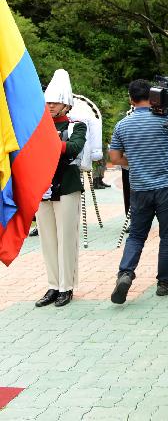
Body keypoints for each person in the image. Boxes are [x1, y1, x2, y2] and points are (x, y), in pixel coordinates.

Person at [109, 78, 168, 304]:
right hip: (167, 187)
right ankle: (165, 282)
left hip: (139, 189)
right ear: (152, 96)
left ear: (131, 99)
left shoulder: (122, 125)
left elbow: (115, 158)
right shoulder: (165, 120)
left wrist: (136, 164)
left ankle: (126, 273)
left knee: (137, 235)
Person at [34, 70, 87, 309]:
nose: (51, 106)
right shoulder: (36, 125)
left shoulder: (77, 125)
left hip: (66, 186)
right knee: (47, 239)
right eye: (48, 102)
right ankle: (53, 285)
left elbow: (74, 148)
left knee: (66, 239)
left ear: (66, 103)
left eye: (56, 102)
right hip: (41, 187)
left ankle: (67, 286)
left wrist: (47, 141)